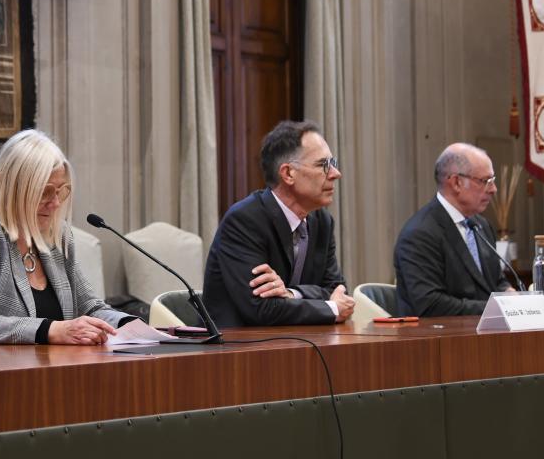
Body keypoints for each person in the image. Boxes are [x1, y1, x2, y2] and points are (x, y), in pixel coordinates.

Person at [0, 129, 134, 346]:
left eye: (60, 191)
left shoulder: (57, 234)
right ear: (10, 187)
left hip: (35, 371)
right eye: (45, 192)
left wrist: (136, 328)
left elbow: (90, 307)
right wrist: (50, 329)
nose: (55, 203)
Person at [202, 120, 355, 326]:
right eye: (323, 165)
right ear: (288, 173)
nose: (336, 174)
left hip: (296, 344)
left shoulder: (322, 221)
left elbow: (337, 290)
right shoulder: (244, 221)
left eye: (333, 163)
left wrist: (292, 294)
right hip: (236, 350)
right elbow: (261, 308)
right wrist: (331, 308)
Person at [393, 142, 511, 316]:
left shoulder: (481, 226)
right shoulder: (419, 234)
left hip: (486, 334)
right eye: (485, 181)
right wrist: (496, 308)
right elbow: (430, 305)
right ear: (456, 182)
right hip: (439, 338)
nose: (493, 189)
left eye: (492, 181)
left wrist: (511, 295)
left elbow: (496, 281)